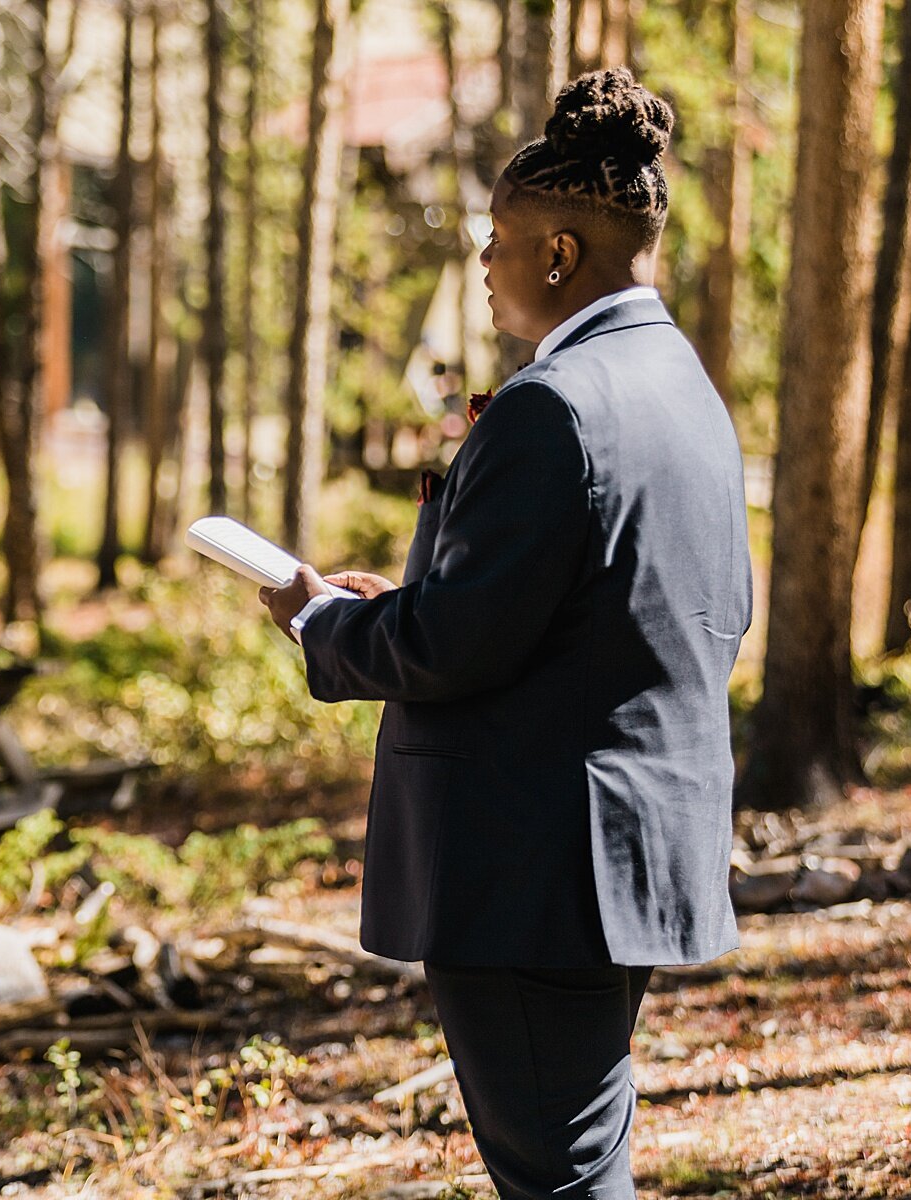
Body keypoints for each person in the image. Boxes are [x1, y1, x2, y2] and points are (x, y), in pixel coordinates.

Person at [259, 68, 751, 1199]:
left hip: (532, 870)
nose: (483, 263)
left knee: (563, 1183)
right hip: (624, 858)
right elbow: (679, 611)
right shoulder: (685, 388)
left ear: (561, 255)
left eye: (497, 238)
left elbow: (456, 646)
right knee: (579, 1161)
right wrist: (417, 600)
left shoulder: (554, 405)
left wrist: (323, 620)